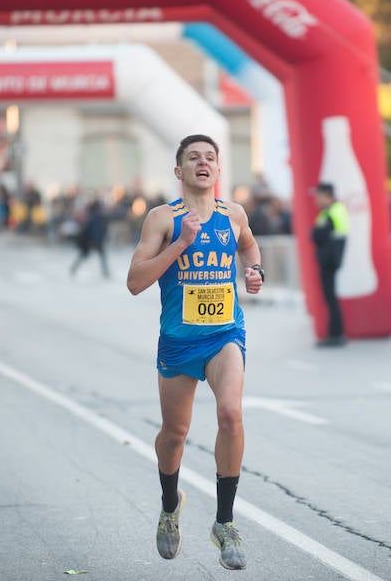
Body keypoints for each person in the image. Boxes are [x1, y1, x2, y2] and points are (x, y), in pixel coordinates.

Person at [126, 134, 264, 570]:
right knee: (175, 434)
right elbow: (134, 281)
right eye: (193, 158)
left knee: (231, 414)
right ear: (179, 171)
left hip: (225, 333)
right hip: (179, 341)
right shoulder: (162, 219)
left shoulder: (234, 214)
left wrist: (254, 269)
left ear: (218, 170)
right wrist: (181, 243)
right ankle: (170, 507)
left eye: (210, 158)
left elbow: (248, 245)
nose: (203, 163)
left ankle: (224, 523)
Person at [311, 182, 349, 347]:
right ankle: (335, 333)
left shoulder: (331, 213)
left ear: (328, 196)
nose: (316, 200)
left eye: (319, 196)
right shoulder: (333, 211)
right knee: (330, 298)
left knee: (331, 298)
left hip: (329, 261)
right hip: (331, 259)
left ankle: (335, 334)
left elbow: (317, 234)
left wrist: (315, 233)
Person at [70, 199, 110, 279]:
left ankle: (74, 268)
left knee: (89, 255)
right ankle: (105, 271)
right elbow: (94, 230)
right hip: (93, 241)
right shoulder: (95, 218)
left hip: (93, 241)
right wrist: (94, 240)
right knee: (90, 255)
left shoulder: (93, 217)